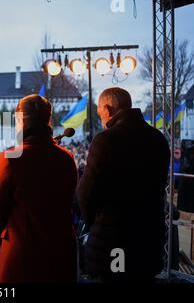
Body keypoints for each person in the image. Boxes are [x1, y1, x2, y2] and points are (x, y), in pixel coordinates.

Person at [77, 87, 170, 282]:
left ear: (108, 109)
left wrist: (94, 224)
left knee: (115, 279)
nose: (100, 116)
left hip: (115, 242)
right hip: (149, 240)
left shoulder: (105, 140)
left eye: (100, 111)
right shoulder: (158, 139)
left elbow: (86, 193)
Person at [0, 94, 78, 283]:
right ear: (49, 120)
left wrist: (8, 237)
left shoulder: (10, 158)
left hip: (22, 254)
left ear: (21, 121)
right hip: (59, 252)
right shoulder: (66, 158)